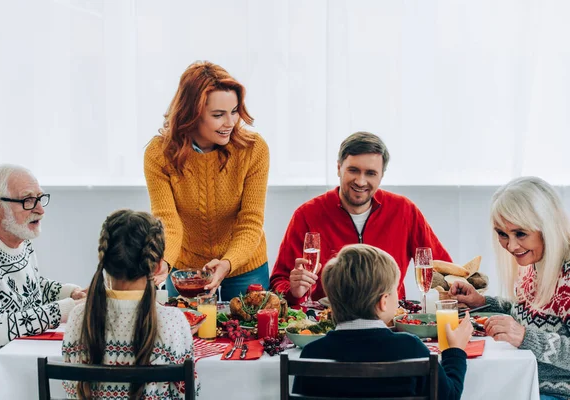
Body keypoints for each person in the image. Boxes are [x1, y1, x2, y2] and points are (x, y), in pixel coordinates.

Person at [270, 131, 451, 305]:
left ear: (381, 176)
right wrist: (293, 291)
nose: (361, 181)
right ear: (339, 168)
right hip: (328, 324)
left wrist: (463, 292)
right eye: (353, 170)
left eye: (370, 173)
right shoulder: (307, 215)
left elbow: (443, 268)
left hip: (389, 322)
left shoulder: (405, 210)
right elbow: (279, 282)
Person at [144, 60, 270, 301]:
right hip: (187, 271)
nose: (230, 123)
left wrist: (227, 262)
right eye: (218, 115)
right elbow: (167, 219)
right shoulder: (158, 153)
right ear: (192, 114)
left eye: (234, 111)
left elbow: (251, 221)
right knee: (186, 336)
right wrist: (165, 260)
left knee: (247, 338)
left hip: (244, 270)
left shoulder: (254, 149)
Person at [295, 244, 472, 399]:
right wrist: (454, 351)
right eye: (395, 290)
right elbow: (448, 396)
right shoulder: (410, 347)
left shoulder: (312, 354)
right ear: (383, 302)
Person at [0, 165, 85, 399]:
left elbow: (30, 287)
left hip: (12, 363)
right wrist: (62, 310)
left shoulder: (18, 238)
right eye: (28, 201)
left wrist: (69, 292)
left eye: (40, 198)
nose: (41, 210)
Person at [449, 176, 570, 400]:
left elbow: (530, 331)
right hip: (523, 381)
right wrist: (483, 303)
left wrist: (525, 337)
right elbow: (527, 312)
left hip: (555, 392)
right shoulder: (534, 262)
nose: (511, 246)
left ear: (547, 226)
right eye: (502, 234)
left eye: (520, 233)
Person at [62, 209, 197, 399]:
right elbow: (189, 392)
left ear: (105, 260)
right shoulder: (173, 321)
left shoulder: (79, 316)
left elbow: (70, 389)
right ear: (158, 266)